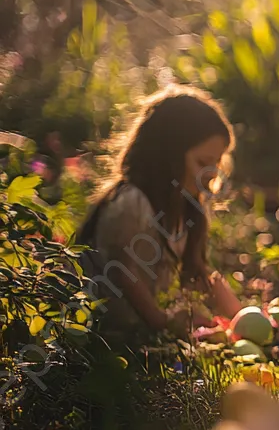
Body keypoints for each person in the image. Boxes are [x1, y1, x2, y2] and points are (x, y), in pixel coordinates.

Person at [77, 86, 242, 337]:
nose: (212, 174)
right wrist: (165, 323)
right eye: (202, 162)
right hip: (104, 337)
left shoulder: (187, 206)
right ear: (168, 156)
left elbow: (199, 271)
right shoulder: (132, 203)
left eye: (216, 163)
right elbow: (124, 273)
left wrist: (243, 318)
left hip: (141, 334)